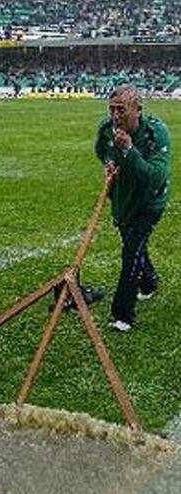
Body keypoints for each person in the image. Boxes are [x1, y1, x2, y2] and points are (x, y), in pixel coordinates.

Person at [95, 85, 171, 332]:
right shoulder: (107, 129)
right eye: (112, 110)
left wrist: (128, 150)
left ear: (138, 110)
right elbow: (102, 151)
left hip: (150, 202)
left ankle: (122, 315)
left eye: (121, 110)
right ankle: (149, 282)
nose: (116, 116)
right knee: (134, 245)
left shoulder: (155, 133)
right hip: (123, 199)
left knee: (131, 254)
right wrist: (109, 162)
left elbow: (155, 177)